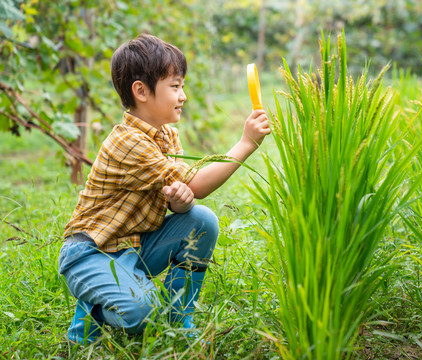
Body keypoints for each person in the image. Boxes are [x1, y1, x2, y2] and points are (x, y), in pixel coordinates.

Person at [57, 33, 271, 345]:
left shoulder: (167, 135)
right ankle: (95, 312)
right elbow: (197, 183)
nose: (183, 95)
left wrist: (182, 203)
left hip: (133, 248)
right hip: (90, 255)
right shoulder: (127, 141)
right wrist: (246, 143)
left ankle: (179, 320)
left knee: (202, 221)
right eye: (175, 86)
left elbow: (181, 200)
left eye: (182, 85)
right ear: (141, 91)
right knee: (144, 312)